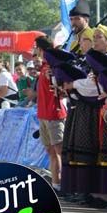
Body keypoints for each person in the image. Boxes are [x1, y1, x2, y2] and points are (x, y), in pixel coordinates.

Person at [32, 38, 66, 193]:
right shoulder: (45, 67)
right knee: (51, 152)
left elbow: (58, 86)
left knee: (59, 151)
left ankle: (65, 184)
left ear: (40, 49)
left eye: (36, 48)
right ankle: (56, 184)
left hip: (54, 113)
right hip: (44, 114)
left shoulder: (51, 67)